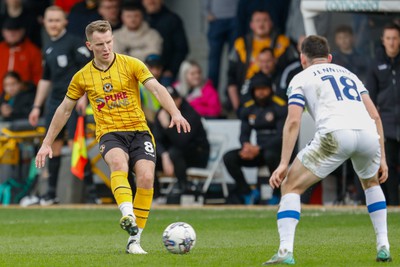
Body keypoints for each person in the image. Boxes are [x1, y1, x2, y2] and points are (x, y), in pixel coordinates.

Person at [34, 20, 190, 254]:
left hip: (139, 130)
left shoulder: (132, 64)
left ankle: (134, 240)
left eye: (108, 42)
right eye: (100, 44)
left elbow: (156, 88)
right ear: (89, 45)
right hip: (109, 133)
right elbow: (64, 109)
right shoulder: (82, 76)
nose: (106, 48)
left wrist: (175, 113)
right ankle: (128, 215)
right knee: (118, 164)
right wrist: (47, 143)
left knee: (147, 178)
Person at [264, 35, 391, 265]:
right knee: (371, 184)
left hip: (335, 134)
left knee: (290, 185)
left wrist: (284, 163)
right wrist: (382, 156)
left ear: (303, 58)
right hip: (368, 135)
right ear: (329, 58)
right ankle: (384, 245)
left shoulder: (300, 78)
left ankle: (285, 252)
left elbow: (293, 121)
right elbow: (375, 115)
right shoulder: (350, 75)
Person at [29, 6, 92, 206]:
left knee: (76, 146)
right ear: (44, 23)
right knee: (51, 146)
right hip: (55, 102)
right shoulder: (48, 47)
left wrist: (84, 96)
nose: (54, 24)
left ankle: (91, 194)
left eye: (57, 20)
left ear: (65, 21)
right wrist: (36, 106)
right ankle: (51, 193)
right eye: (50, 21)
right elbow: (45, 79)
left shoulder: (74, 43)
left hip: (73, 101)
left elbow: (89, 70)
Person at [223, 73, 286, 205]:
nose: (261, 93)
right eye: (257, 89)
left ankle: (277, 194)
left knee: (270, 155)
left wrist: (260, 148)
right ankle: (247, 192)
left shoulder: (280, 106)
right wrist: (246, 146)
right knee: (229, 157)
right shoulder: (249, 108)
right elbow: (244, 133)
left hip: (278, 153)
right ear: (253, 91)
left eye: (264, 89)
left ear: (270, 89)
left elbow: (282, 136)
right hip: (257, 152)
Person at [227, 9, 291, 115]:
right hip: (248, 98)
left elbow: (294, 72)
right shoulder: (240, 44)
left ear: (271, 23)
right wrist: (238, 108)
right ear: (251, 25)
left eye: (265, 20)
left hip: (277, 100)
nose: (261, 24)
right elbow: (231, 78)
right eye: (257, 21)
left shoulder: (284, 43)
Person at [366, 23, 400, 206]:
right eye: (388, 38)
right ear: (383, 40)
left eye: (395, 38)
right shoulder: (375, 65)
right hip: (386, 124)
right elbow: (369, 97)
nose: (392, 42)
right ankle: (394, 205)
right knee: (390, 168)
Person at [152, 85, 209, 194]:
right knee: (149, 156)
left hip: (196, 155)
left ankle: (183, 188)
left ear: (179, 100)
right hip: (171, 155)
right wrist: (164, 155)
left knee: (175, 153)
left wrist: (167, 126)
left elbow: (182, 142)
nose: (167, 102)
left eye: (172, 99)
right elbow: (155, 139)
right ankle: (156, 195)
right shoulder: (162, 113)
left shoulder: (190, 114)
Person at [142, 0, 189, 86]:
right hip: (138, 71)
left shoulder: (172, 20)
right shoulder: (137, 18)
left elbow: (181, 48)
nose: (151, 1)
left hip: (165, 72)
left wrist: (171, 70)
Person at [201, 0, 238, 90]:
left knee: (234, 59)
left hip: (235, 18)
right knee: (214, 60)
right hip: (216, 19)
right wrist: (206, 13)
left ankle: (231, 94)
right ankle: (211, 94)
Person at [0, 17, 42, 95]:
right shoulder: (1, 49)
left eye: (15, 30)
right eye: (8, 30)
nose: (11, 33)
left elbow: (38, 78)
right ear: (3, 32)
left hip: (24, 97)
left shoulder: (33, 51)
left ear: (22, 31)